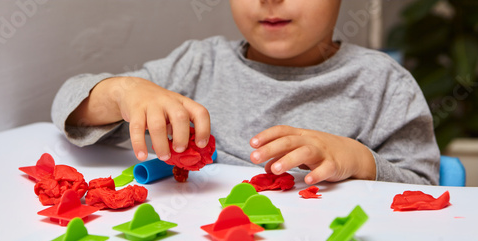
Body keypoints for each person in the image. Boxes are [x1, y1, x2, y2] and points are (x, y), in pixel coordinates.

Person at [52, 0, 440, 185]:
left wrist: (359, 160)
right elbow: (68, 106)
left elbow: (425, 189)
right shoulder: (198, 64)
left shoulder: (383, 83)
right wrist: (124, 92)